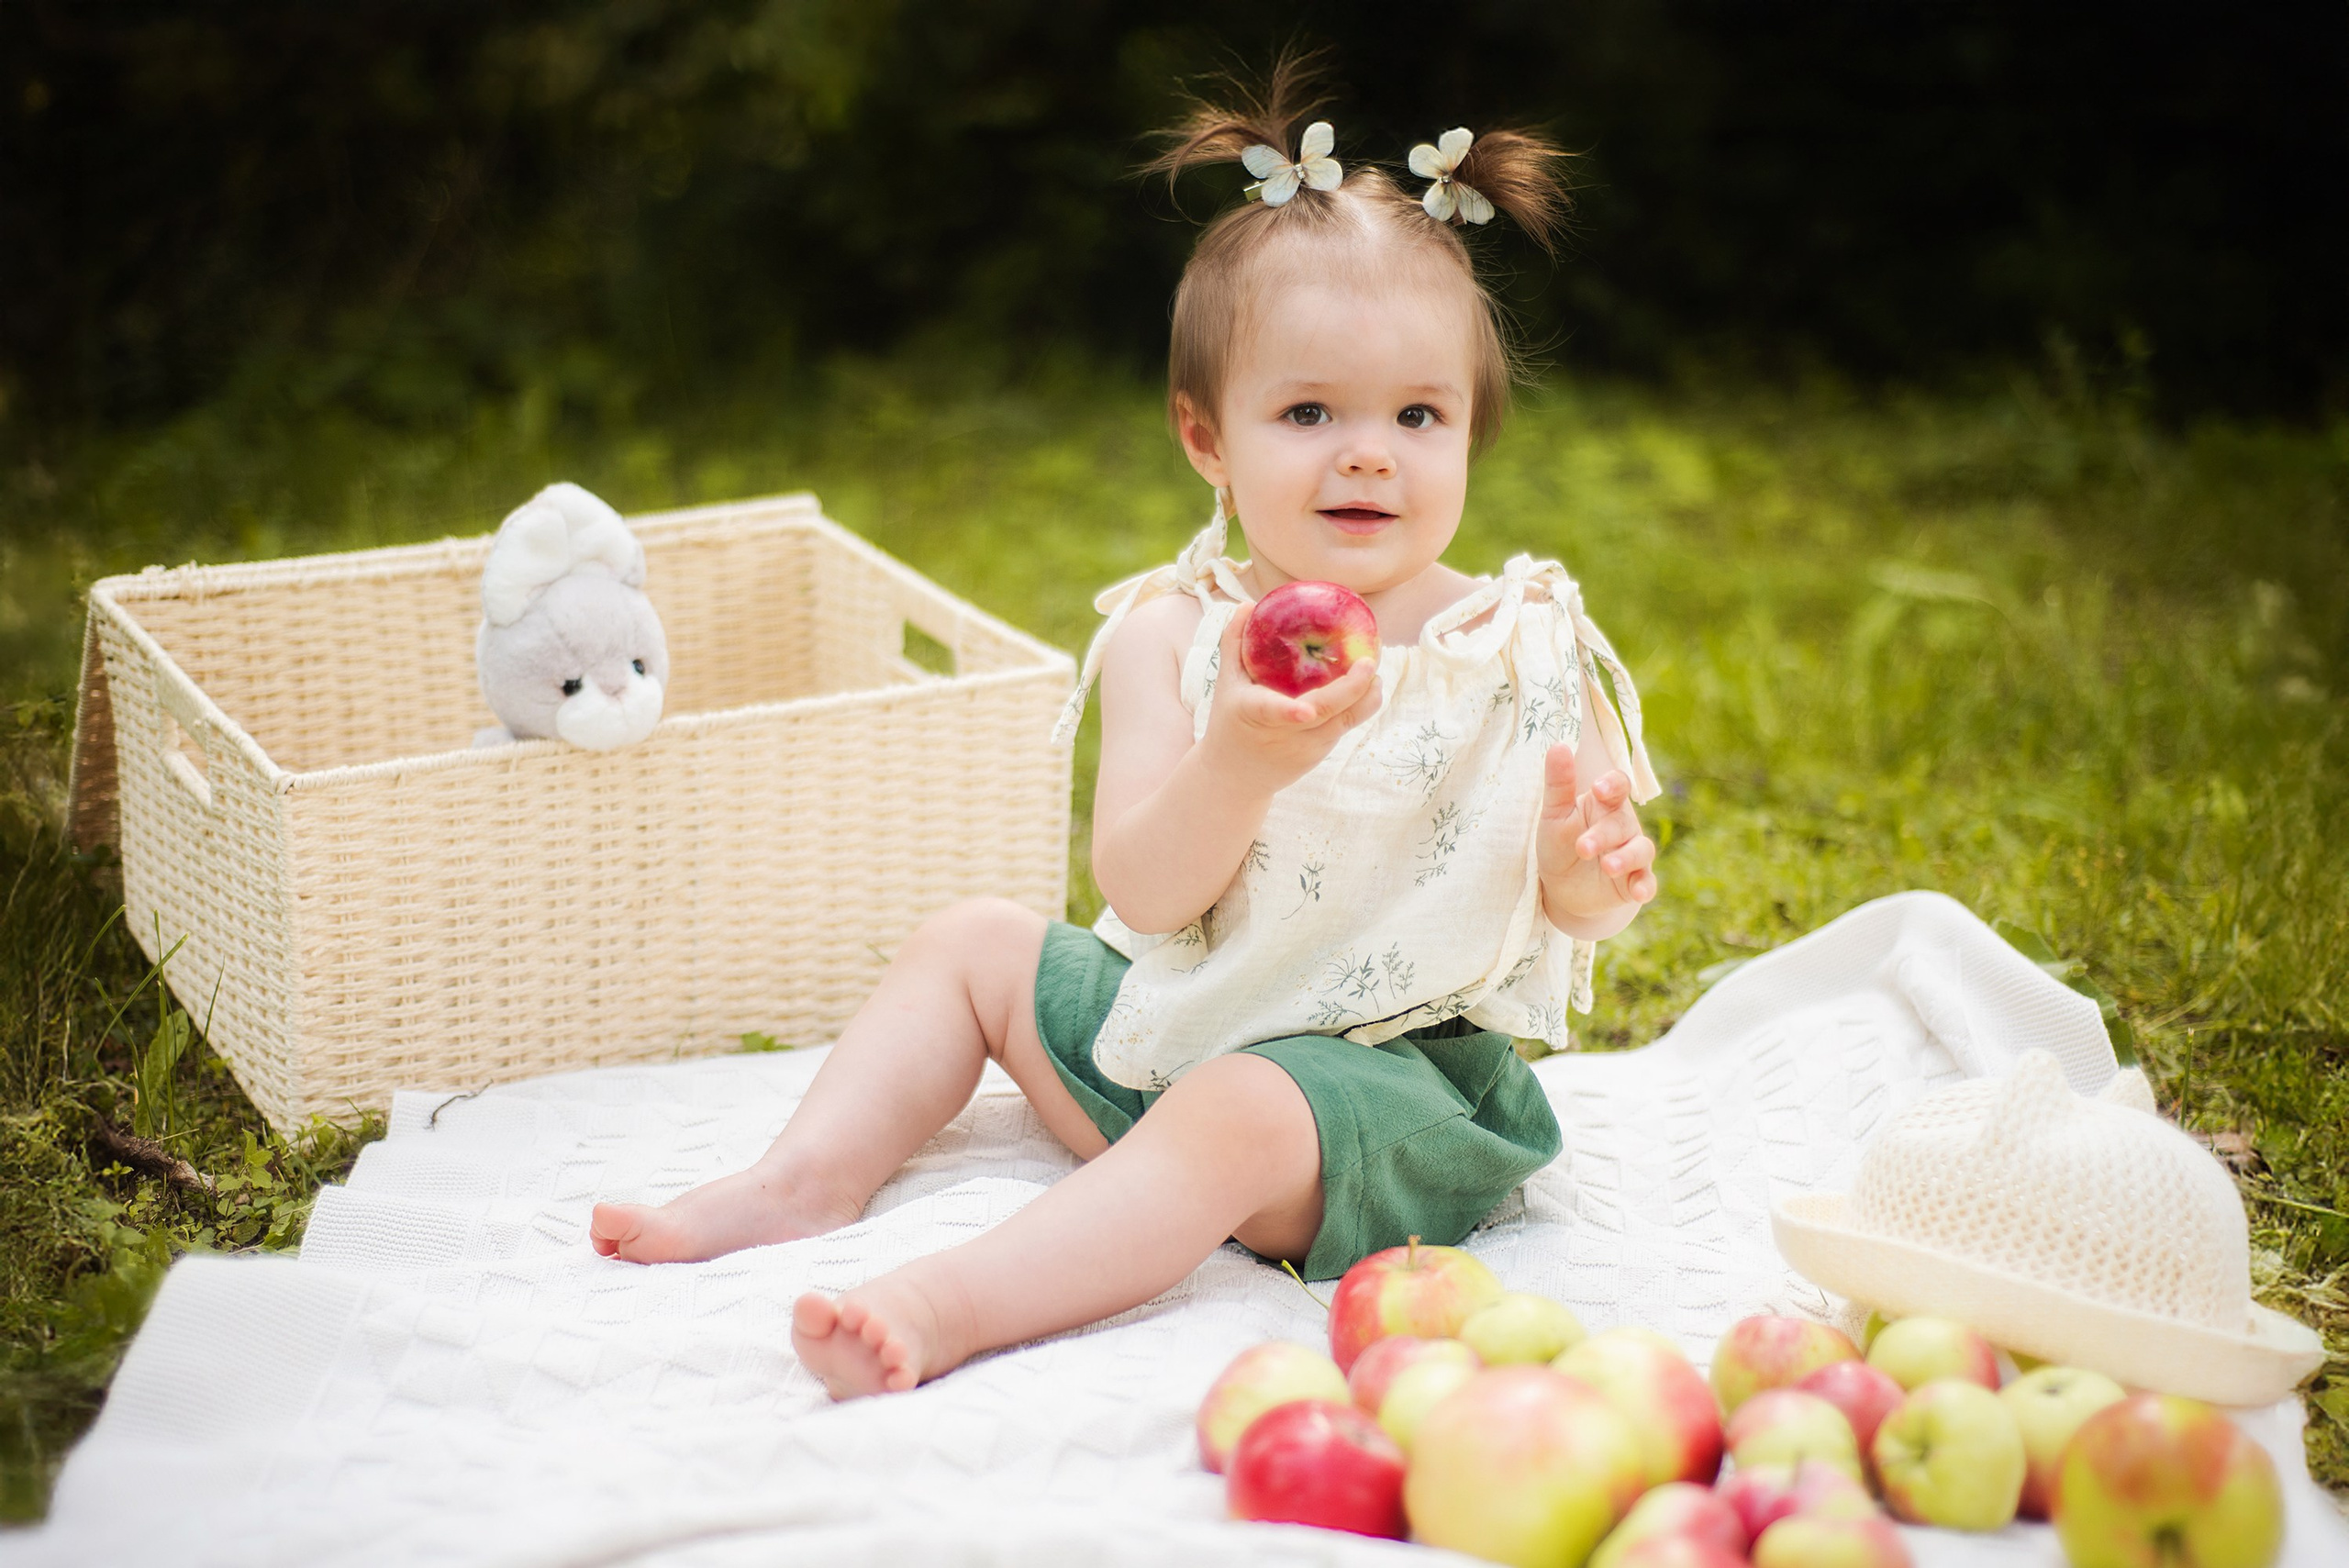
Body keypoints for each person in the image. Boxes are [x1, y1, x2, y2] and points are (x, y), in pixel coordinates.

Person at [587, 66, 1661, 1401]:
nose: (1369, 453)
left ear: (1469, 435)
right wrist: (1244, 759)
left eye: (1417, 415)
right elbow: (1145, 892)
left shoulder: (1516, 643)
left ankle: (950, 1301)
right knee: (972, 941)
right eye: (1311, 412)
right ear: (1207, 438)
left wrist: (1587, 871)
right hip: (1177, 1024)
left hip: (1380, 1100)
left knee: (1238, 1106)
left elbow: (1574, 905)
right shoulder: (1174, 633)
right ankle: (801, 1177)